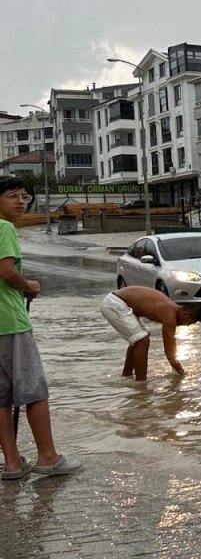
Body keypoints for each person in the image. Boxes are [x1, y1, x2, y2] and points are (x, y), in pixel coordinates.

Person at [0, 177, 81, 479]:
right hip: (9, 321)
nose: (21, 201)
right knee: (34, 389)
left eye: (25, 196)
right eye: (12, 196)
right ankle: (48, 457)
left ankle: (12, 463)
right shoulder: (4, 228)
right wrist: (28, 286)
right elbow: (6, 270)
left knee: (1, 396)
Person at [102, 286, 201, 382]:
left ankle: (127, 375)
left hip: (117, 301)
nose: (186, 326)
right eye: (190, 322)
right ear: (186, 314)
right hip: (114, 304)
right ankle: (141, 384)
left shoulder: (172, 308)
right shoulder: (170, 316)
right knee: (142, 340)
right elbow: (169, 350)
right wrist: (181, 373)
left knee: (140, 339)